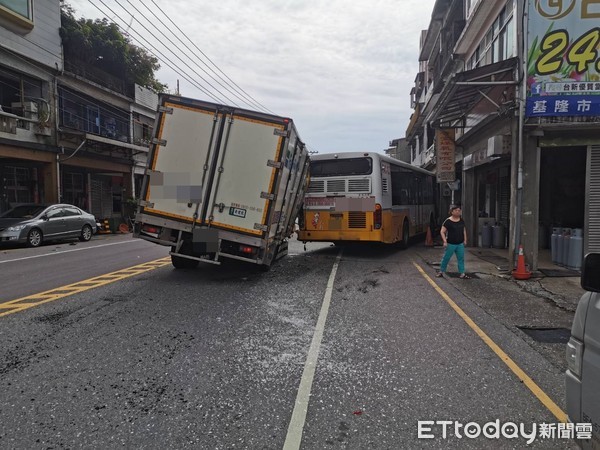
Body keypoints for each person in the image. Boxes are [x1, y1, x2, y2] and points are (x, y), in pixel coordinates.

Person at [437, 204, 471, 279]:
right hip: (450, 244)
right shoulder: (448, 221)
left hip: (460, 244)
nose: (458, 212)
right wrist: (445, 241)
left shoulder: (461, 220)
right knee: (446, 258)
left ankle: (462, 273)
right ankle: (441, 272)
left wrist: (465, 239)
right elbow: (442, 231)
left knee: (461, 259)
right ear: (452, 212)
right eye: (456, 210)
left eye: (459, 210)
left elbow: (463, 230)